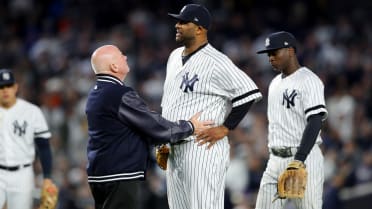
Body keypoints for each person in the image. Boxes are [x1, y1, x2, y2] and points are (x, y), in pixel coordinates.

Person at [85, 44, 213, 209]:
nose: (125, 57)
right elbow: (154, 126)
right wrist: (190, 126)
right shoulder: (118, 94)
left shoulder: (95, 93)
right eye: (120, 55)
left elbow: (129, 130)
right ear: (114, 66)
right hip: (120, 174)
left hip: (101, 174)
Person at [161, 4, 262, 209]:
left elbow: (249, 93)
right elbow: (170, 103)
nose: (177, 25)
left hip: (202, 149)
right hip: (174, 149)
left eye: (183, 22)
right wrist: (162, 140)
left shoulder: (217, 61)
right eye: (177, 21)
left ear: (200, 28)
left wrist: (226, 128)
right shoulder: (173, 57)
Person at [254, 31, 328, 209]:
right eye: (268, 54)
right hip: (275, 160)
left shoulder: (309, 80)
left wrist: (299, 159)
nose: (270, 58)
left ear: (290, 51)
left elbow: (316, 121)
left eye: (275, 52)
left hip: (304, 159)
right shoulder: (274, 83)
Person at [0, 69, 56, 209]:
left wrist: (47, 177)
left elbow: (44, 146)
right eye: (1, 87)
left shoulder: (31, 112)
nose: (5, 90)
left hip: (23, 173)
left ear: (15, 87)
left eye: (8, 86)